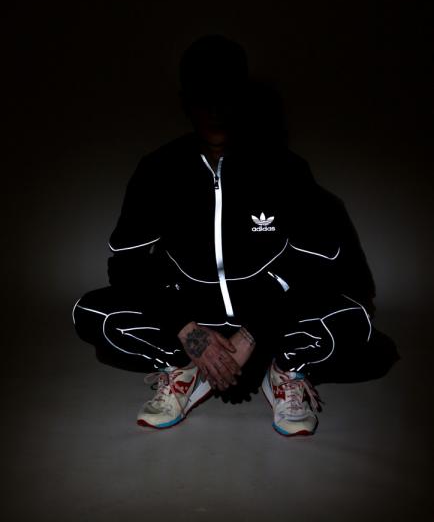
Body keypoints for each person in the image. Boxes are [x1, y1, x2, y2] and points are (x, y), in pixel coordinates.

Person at [73, 34, 377, 436]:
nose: (215, 108)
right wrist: (189, 332)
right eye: (204, 95)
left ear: (242, 98)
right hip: (190, 318)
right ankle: (183, 368)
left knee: (356, 320)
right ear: (186, 101)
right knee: (90, 313)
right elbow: (126, 266)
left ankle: (284, 370)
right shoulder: (158, 169)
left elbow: (316, 269)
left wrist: (253, 334)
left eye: (226, 94)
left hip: (270, 321)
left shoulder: (286, 169)